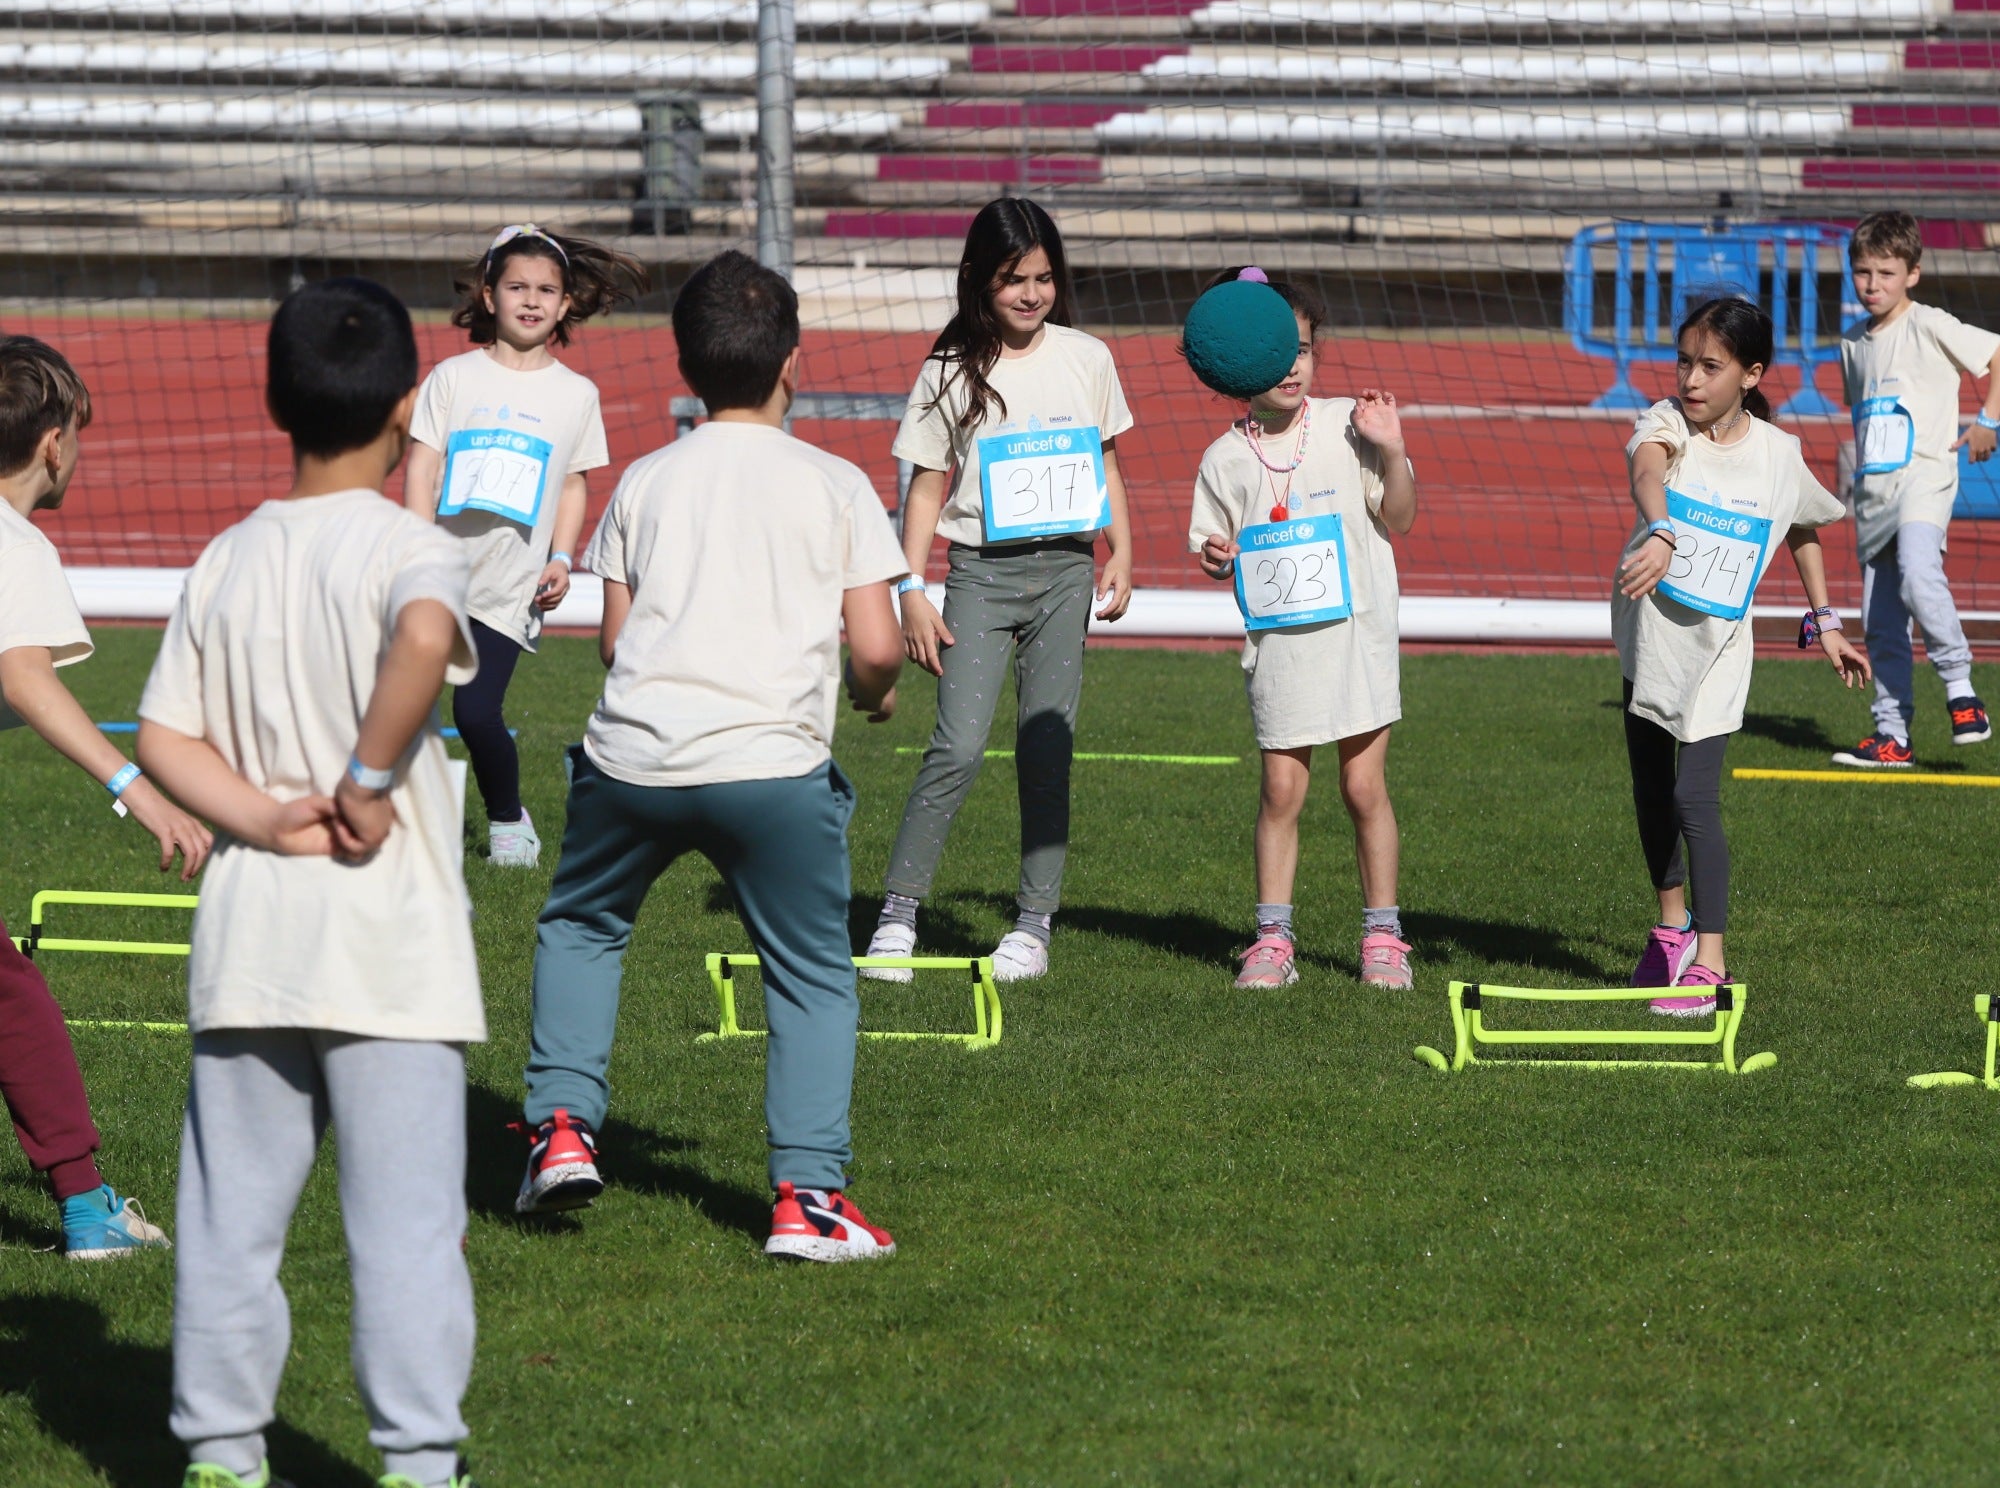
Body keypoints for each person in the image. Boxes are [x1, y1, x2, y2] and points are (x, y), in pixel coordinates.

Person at [135, 279, 483, 1488]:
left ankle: (222, 1456)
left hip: (254, 939)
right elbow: (425, 638)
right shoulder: (412, 545)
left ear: (277, 402)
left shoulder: (226, 557)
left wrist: (264, 821)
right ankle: (420, 1462)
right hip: (391, 944)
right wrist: (367, 780)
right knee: (406, 1228)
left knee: (229, 1224)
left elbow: (163, 734)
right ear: (405, 407)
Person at [514, 250, 909, 1263]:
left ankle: (560, 1128)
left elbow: (615, 642)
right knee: (811, 972)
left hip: (631, 760)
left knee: (583, 926)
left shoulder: (646, 479)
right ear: (793, 362)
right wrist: (874, 694)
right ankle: (808, 1199)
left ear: (686, 369)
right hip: (772, 769)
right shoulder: (837, 483)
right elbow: (876, 647)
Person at [865, 197, 1136, 984]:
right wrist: (910, 589)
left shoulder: (1088, 358)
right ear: (980, 278)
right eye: (1015, 278)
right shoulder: (949, 369)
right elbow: (925, 487)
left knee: (1047, 749)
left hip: (1066, 573)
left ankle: (1032, 927)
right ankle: (897, 916)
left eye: (1044, 278)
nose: (1031, 293)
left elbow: (1106, 461)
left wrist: (1121, 550)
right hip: (979, 577)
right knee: (955, 745)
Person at [0, 335, 208, 1260]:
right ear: (54, 445)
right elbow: (23, 676)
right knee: (14, 1005)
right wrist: (138, 790)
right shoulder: (16, 546)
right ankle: (88, 1210)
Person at [1614, 298, 1871, 1015]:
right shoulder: (1667, 423)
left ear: (1751, 375)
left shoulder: (1779, 454)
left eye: (1711, 366)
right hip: (1649, 638)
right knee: (1650, 790)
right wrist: (1661, 528)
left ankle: (1712, 964)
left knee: (1693, 797)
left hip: (1720, 652)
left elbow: (1803, 526)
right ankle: (1672, 929)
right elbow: (1646, 472)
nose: (1691, 379)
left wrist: (1826, 622)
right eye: (1684, 362)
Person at [1186, 269, 1419, 991]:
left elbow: (1401, 515)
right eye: (1273, 352)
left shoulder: (1351, 424)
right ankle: (1272, 941)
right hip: (1283, 649)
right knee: (1282, 792)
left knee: (1363, 787)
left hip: (1358, 639)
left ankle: (1383, 938)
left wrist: (1391, 447)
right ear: (1235, 363)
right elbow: (1213, 551)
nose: (1292, 366)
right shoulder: (1224, 458)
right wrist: (1217, 556)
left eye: (1304, 349)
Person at [403, 223, 646, 864]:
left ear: (566, 304)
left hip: (509, 584)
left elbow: (573, 484)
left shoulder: (576, 394)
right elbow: (422, 467)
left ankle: (509, 823)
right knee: (398, 702)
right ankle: (395, 820)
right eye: (517, 287)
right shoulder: (452, 378)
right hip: (438, 573)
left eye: (546, 290)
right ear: (489, 296)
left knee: (476, 711)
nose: (531, 300)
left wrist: (562, 557)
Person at [1833, 210, 2000, 770]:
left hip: (1925, 480)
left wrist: (1988, 421)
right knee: (1881, 624)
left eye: (1887, 273)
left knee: (1919, 573)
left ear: (1912, 274)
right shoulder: (1851, 344)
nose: (1873, 284)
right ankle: (1892, 737)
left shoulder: (1929, 324)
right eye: (1863, 272)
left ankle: (1962, 692)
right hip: (1874, 496)